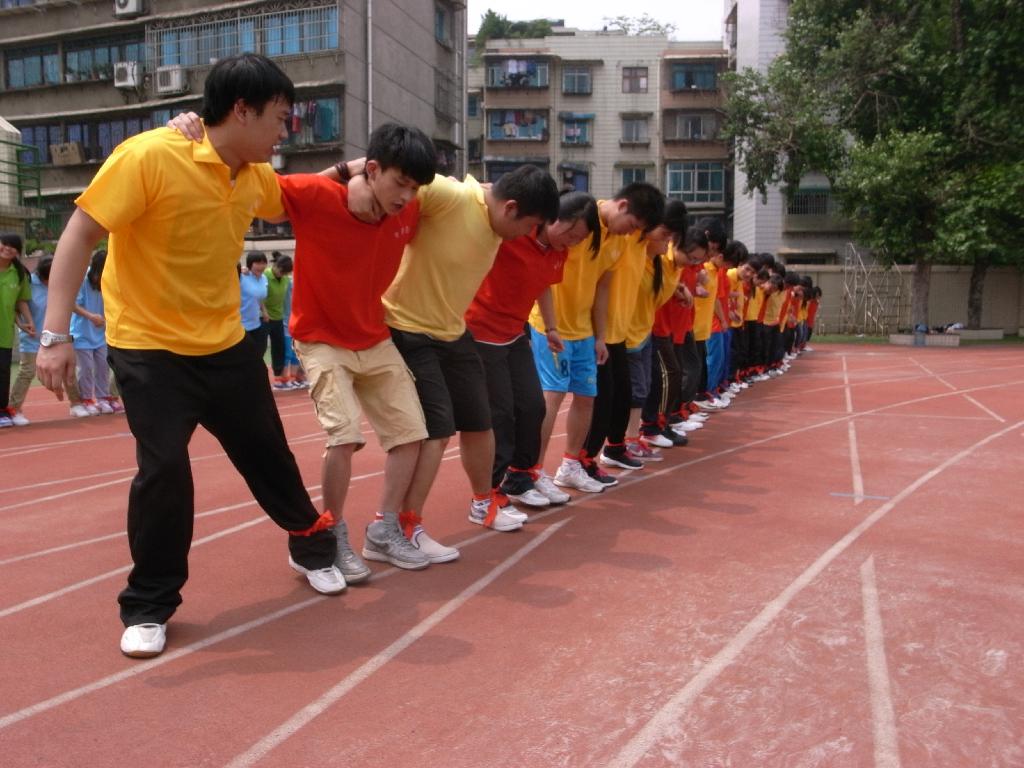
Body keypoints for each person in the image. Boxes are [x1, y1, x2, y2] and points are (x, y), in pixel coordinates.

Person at [35, 53, 344, 661]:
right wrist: (54, 336)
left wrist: (365, 169)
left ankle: (310, 546)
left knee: (269, 454)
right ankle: (148, 604)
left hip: (225, 344)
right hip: (148, 348)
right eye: (280, 118)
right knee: (165, 471)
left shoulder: (253, 175)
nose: (285, 132)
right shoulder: (149, 156)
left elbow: (301, 194)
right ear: (242, 110)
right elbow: (80, 233)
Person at [381, 163, 560, 557]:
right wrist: (353, 170)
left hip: (453, 330)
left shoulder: (496, 217)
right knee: (437, 430)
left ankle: (483, 502)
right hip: (408, 327)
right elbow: (399, 184)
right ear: (511, 209)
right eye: (529, 226)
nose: (527, 236)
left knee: (481, 422)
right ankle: (402, 525)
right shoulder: (451, 196)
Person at [466, 190, 600, 509]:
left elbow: (544, 286)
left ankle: (521, 476)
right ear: (553, 220)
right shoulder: (514, 233)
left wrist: (552, 328)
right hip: (482, 331)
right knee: (501, 413)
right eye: (570, 234)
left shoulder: (557, 252)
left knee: (533, 406)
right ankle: (489, 492)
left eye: (579, 240)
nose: (571, 243)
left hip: (515, 333)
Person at [530, 184, 664, 492]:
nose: (632, 233)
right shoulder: (580, 218)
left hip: (585, 331)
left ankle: (570, 465)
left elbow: (603, 287)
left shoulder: (620, 240)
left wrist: (600, 336)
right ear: (622, 206)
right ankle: (532, 471)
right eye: (632, 225)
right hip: (551, 324)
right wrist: (549, 324)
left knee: (587, 398)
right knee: (552, 398)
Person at [8, 256, 92, 425]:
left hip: (57, 337)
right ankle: (14, 409)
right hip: (32, 337)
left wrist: (90, 316)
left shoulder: (61, 283)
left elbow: (69, 304)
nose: (50, 282)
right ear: (42, 275)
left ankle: (76, 403)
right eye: (48, 278)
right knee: (27, 372)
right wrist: (23, 324)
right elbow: (17, 305)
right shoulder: (29, 283)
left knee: (67, 369)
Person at [70, 250, 119, 414]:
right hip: (82, 333)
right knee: (86, 368)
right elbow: (72, 305)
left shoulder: (111, 279)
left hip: (102, 333)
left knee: (103, 366)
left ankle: (103, 398)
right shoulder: (83, 279)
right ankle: (86, 399)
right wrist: (91, 316)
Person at [0, 233, 35, 428]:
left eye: (13, 246)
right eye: (4, 244)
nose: (7, 248)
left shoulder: (19, 273)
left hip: (4, 332)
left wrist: (27, 321)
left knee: (3, 373)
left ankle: (2, 411)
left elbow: (20, 301)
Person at [264, 253, 294, 389]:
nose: (282, 274)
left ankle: (278, 378)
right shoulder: (265, 275)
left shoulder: (286, 279)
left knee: (279, 349)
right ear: (276, 266)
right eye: (281, 271)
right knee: (261, 348)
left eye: (285, 273)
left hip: (278, 317)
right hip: (263, 318)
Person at [240, 251, 270, 354]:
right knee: (245, 355)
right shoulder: (241, 277)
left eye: (263, 263)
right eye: (257, 263)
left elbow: (258, 297)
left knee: (259, 353)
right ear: (250, 264)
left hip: (257, 323)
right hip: (241, 325)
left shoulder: (264, 278)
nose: (261, 266)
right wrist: (240, 270)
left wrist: (264, 311)